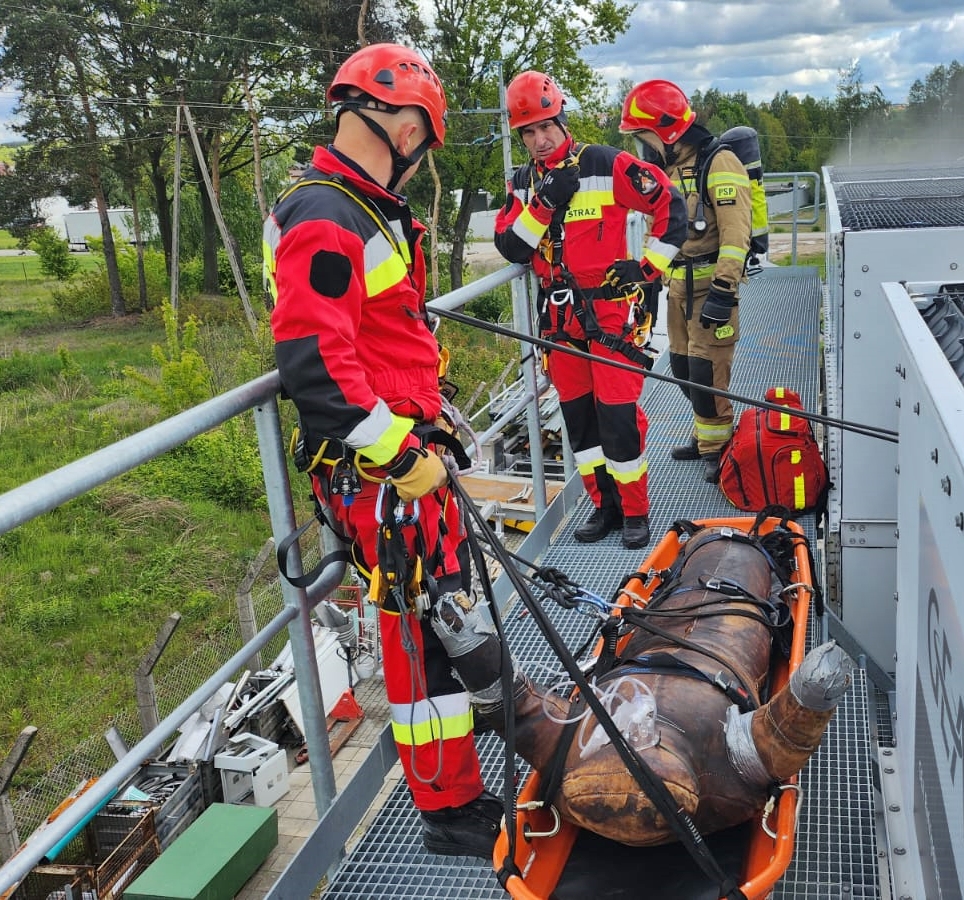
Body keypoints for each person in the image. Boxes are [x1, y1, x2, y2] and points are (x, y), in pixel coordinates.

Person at [264, 43, 505, 858]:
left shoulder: (359, 209)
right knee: (419, 636)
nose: (419, 155)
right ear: (405, 128)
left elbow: (373, 336)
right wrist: (399, 457)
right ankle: (446, 807)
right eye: (423, 141)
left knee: (439, 621)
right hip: (381, 472)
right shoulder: (326, 215)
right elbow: (315, 366)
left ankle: (454, 785)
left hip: (401, 457)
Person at [495, 71, 685, 549]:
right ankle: (604, 507)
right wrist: (544, 203)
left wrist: (648, 268)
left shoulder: (604, 163)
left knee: (618, 417)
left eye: (546, 127)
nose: (539, 140)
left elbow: (671, 207)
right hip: (559, 321)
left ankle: (635, 511)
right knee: (579, 421)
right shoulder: (523, 184)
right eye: (528, 132)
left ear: (562, 120)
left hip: (610, 315)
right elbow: (512, 247)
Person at [619, 80, 753, 484]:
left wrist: (724, 290)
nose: (643, 148)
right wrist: (647, 278)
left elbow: (736, 233)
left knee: (706, 373)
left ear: (667, 132)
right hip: (678, 287)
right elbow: (657, 229)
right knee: (681, 368)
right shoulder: (668, 172)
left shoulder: (720, 163)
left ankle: (719, 449)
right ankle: (705, 434)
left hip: (710, 287)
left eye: (644, 137)